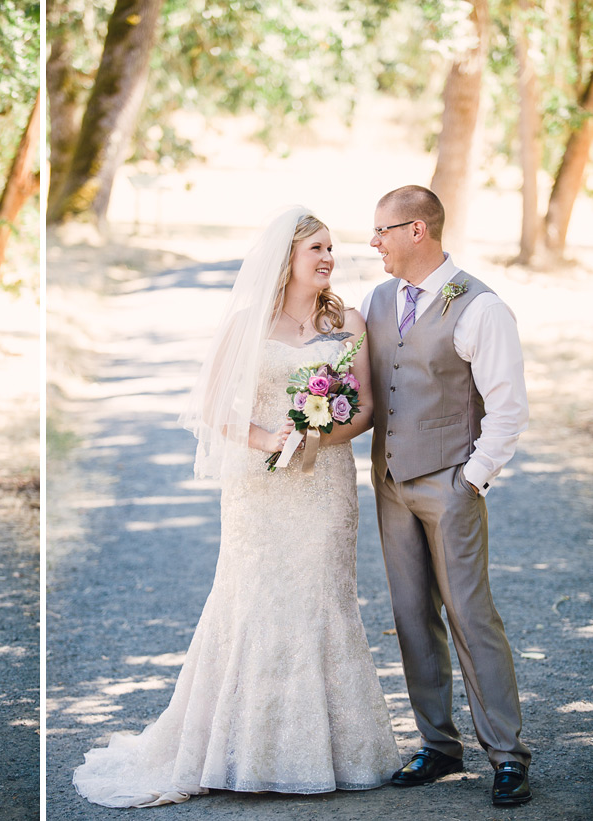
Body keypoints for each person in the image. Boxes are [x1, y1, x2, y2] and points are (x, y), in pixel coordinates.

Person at [72, 207, 401, 808]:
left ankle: (327, 750)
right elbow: (213, 410)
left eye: (332, 248)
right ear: (288, 259)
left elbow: (365, 407)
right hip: (259, 486)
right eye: (316, 249)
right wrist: (270, 439)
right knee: (254, 599)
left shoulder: (349, 320)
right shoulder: (247, 324)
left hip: (324, 482)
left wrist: (317, 434)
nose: (329, 258)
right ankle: (240, 748)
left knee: (322, 596)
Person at [363, 185, 532, 807]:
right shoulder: (378, 300)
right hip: (390, 484)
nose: (373, 241)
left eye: (382, 230)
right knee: (411, 616)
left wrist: (472, 479)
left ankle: (507, 754)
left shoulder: (480, 307)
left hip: (451, 483)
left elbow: (508, 408)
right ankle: (438, 746)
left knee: (470, 615)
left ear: (417, 232)